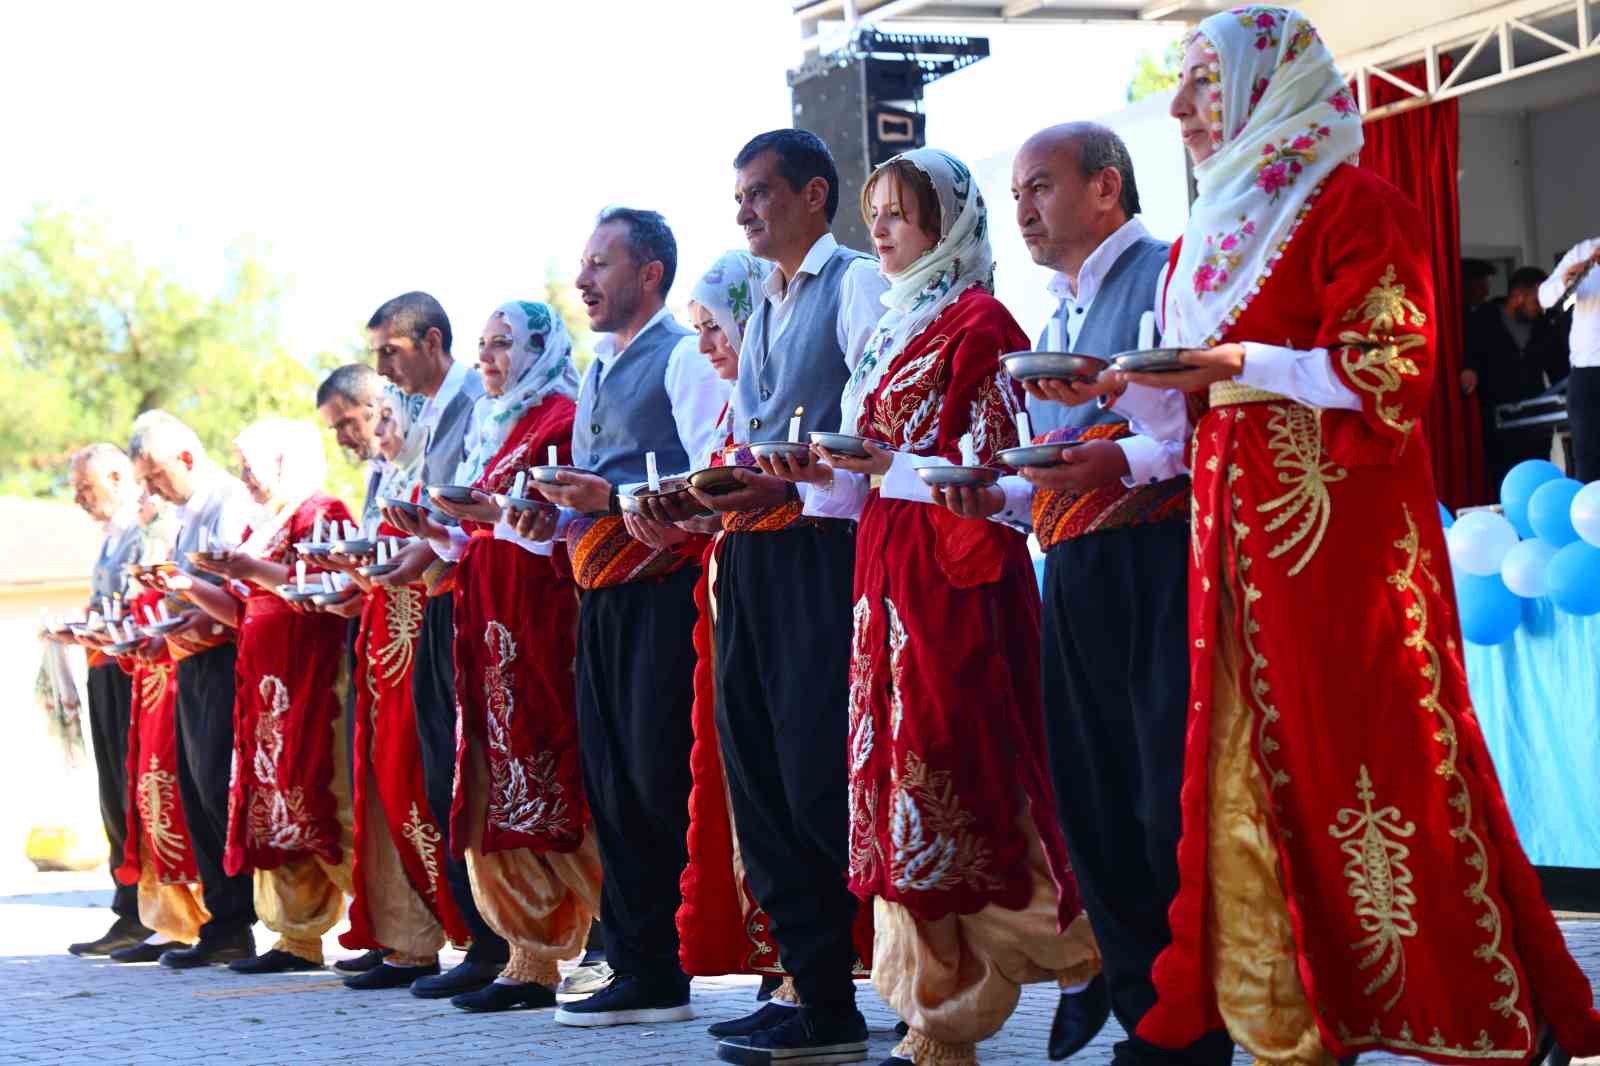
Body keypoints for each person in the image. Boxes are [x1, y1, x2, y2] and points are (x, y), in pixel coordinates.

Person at [1102, 9, 1600, 1062]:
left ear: (1267, 85)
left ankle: (1472, 1001)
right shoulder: (1203, 234)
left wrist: (1243, 363)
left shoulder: (1356, 203)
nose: (1184, 111)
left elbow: (1390, 368)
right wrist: (1121, 435)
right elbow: (1193, 395)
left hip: (1341, 533)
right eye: (1183, 88)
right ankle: (1276, 1011)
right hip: (1232, 543)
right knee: (1237, 764)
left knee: (1378, 758)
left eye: (1204, 85)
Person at [780, 148, 1100, 1066]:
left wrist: (889, 467)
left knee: (959, 768)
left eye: (900, 212)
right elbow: (863, 477)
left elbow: (997, 469)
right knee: (892, 785)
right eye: (873, 212)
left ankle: (1070, 951)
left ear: (948, 222)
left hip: (955, 573)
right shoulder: (889, 325)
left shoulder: (981, 319)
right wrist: (813, 474)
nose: (879, 229)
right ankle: (934, 1017)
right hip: (886, 568)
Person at [935, 121, 1232, 1066]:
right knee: (1095, 799)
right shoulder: (1057, 312)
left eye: (1043, 186)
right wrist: (1004, 493)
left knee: (1159, 798)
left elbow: (1204, 431)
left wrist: (1117, 455)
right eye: (1017, 192)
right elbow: (1060, 467)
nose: (1023, 208)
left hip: (1157, 559)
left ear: (1108, 188)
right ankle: (1148, 1019)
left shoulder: (1168, 272)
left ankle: (1195, 1024)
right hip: (1076, 569)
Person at [659, 131, 887, 1065]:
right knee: (756, 773)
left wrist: (790, 488)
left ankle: (839, 995)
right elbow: (758, 439)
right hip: (753, 555)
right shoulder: (762, 305)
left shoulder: (856, 283)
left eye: (760, 193)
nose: (745, 210)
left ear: (814, 195)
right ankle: (805, 984)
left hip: (818, 556)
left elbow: (876, 430)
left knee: (811, 770)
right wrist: (698, 499)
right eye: (740, 196)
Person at [509, 206, 727, 1028]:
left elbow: (707, 480)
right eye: (584, 263)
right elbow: (603, 489)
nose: (583, 280)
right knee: (609, 778)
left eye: (601, 264)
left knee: (653, 772)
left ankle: (662, 963)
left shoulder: (682, 359)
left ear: (649, 275)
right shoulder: (599, 367)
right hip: (599, 593)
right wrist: (557, 516)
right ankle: (632, 955)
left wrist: (604, 499)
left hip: (663, 592)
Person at [407, 301, 602, 1013]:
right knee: (493, 775)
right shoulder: (498, 424)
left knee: (547, 769)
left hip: (541, 621)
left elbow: (557, 523)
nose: (486, 357)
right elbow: (487, 527)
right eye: (483, 345)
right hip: (488, 621)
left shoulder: (560, 417)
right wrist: (442, 527)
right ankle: (525, 952)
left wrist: (486, 517)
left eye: (501, 345)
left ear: (540, 349)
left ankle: (591, 937)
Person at [177, 418, 355, 974]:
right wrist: (185, 585)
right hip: (263, 686)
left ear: (284, 460)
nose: (245, 476)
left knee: (323, 795)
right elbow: (240, 611)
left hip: (313, 677)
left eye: (253, 464)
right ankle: (295, 938)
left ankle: (387, 931)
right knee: (274, 807)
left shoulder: (322, 512)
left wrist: (250, 569)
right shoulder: (264, 525)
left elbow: (323, 590)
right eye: (241, 465)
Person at [369, 290, 507, 1000]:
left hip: (471, 600)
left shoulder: (469, 401)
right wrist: (400, 557)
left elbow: (461, 506)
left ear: (429, 340)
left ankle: (501, 939)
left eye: (390, 351)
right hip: (434, 598)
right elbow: (429, 518)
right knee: (436, 772)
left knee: (469, 770)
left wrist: (415, 550)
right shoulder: (422, 411)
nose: (384, 370)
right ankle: (478, 934)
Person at [336, 385, 471, 990]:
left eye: (392, 417)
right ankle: (402, 933)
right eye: (382, 416)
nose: (382, 429)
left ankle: (456, 933)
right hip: (385, 646)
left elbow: (451, 552)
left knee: (421, 778)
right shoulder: (389, 478)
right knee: (386, 782)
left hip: (423, 637)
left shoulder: (434, 477)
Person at [128, 411, 261, 969]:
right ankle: (221, 922)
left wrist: (183, 597)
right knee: (194, 791)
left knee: (216, 789)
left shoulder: (227, 500)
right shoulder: (186, 513)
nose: (152, 489)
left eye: (156, 475)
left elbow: (233, 593)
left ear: (185, 458)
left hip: (227, 660)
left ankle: (237, 921)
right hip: (192, 661)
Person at [60, 444, 155, 957]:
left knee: (136, 793)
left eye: (84, 487)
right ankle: (129, 906)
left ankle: (146, 911)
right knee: (114, 793)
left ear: (117, 476)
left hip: (134, 673)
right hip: (105, 669)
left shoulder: (145, 528)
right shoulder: (112, 536)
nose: (77, 499)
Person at [105, 583, 211, 962]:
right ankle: (168, 920)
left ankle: (196, 917)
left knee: (169, 794)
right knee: (150, 798)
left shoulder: (179, 557)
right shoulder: (161, 554)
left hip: (179, 678)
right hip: (152, 681)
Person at [1462, 267, 1568, 492]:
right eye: (1536, 301)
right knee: (1501, 482)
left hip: (1535, 423)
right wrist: (1468, 369)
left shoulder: (1544, 327)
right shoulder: (1483, 319)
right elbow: (1468, 357)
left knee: (1536, 480)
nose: (1541, 308)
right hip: (1493, 421)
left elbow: (1560, 370)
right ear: (1518, 295)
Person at [1540, 236, 1600, 480]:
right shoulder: (1585, 250)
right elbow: (1545, 297)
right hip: (1586, 370)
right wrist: (1578, 270)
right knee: (1586, 453)